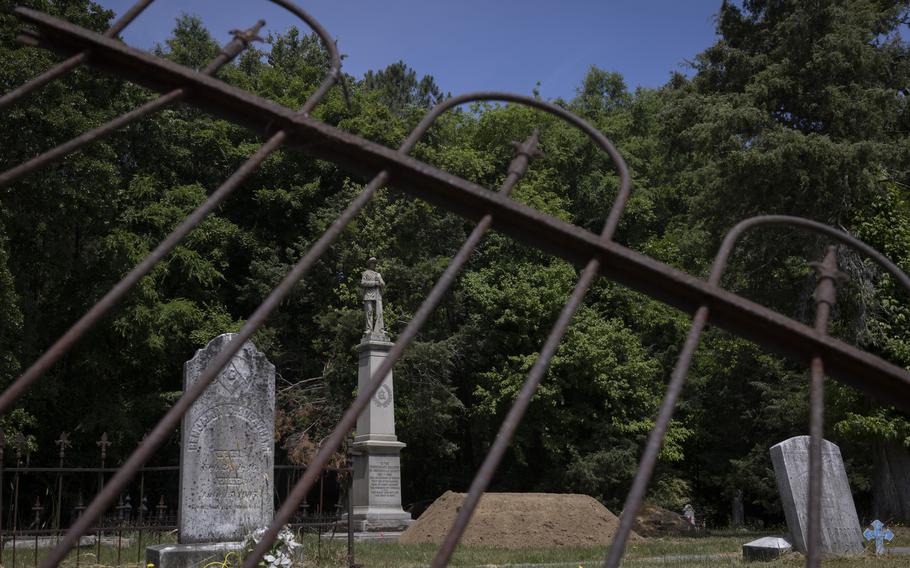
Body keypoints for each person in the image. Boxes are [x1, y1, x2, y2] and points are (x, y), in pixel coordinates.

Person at [361, 257, 386, 337]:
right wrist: (374, 283)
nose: (374, 264)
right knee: (369, 312)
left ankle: (380, 329)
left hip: (377, 295)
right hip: (368, 295)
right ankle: (369, 329)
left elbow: (383, 285)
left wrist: (379, 278)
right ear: (369, 264)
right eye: (372, 263)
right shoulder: (365, 273)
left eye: (375, 263)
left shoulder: (377, 274)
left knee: (379, 313)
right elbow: (363, 283)